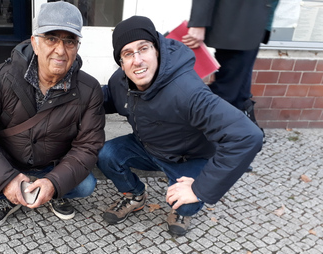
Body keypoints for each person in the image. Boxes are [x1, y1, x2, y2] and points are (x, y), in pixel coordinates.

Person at [97, 16, 263, 236]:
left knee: (186, 203)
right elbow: (107, 98)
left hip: (186, 158)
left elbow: (247, 136)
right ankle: (135, 195)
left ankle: (184, 206)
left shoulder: (187, 91)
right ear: (121, 61)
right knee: (106, 154)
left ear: (156, 49)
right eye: (127, 54)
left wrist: (200, 188)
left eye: (143, 48)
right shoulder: (120, 81)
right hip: (147, 147)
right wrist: (74, 95)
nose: (137, 60)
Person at [0, 1, 105, 229]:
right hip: (8, 159)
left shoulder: (89, 88)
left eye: (69, 41)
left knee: (86, 186)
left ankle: (55, 193)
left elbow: (88, 146)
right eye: (51, 38)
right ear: (35, 43)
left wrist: (55, 182)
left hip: (54, 164)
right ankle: (4, 198)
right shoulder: (3, 76)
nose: (60, 50)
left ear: (77, 47)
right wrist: (5, 179)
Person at [182, 0, 279, 143]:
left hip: (255, 24)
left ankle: (237, 136)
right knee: (227, 90)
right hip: (235, 23)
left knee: (240, 88)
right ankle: (189, 140)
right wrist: (198, 22)